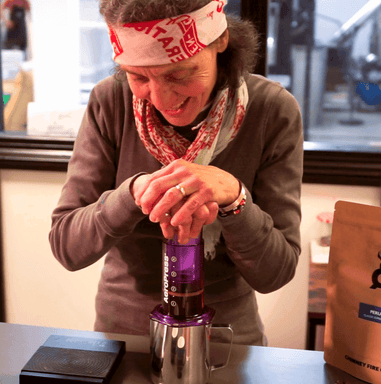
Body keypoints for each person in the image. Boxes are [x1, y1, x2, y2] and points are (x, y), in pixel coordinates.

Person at [49, 0, 303, 346]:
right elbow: (67, 246)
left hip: (225, 340)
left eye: (179, 75)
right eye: (138, 77)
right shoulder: (111, 102)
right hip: (126, 336)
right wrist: (132, 195)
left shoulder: (271, 110)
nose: (161, 97)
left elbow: (276, 271)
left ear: (220, 41)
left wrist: (235, 198)